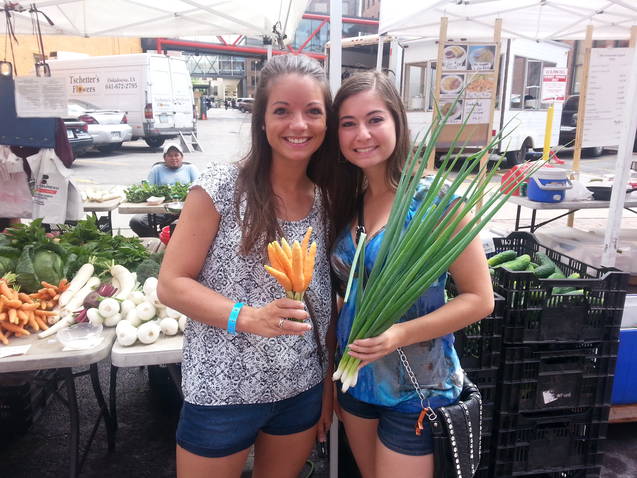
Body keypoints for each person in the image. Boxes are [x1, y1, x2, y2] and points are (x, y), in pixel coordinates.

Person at [157, 54, 337, 478]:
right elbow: (171, 282)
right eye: (282, 111)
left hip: (300, 388)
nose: (299, 124)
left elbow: (327, 300)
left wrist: (327, 382)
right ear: (261, 120)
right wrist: (248, 317)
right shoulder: (219, 186)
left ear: (327, 122)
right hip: (222, 391)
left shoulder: (327, 201)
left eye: (313, 111)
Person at [329, 71, 494, 478]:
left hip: (417, 389)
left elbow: (479, 299)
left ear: (397, 124)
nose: (361, 134)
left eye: (374, 119)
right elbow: (349, 289)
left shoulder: (437, 204)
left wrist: (399, 334)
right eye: (348, 124)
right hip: (356, 382)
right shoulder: (348, 201)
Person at [129, 142, 199, 237]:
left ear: (182, 157)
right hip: (160, 211)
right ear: (164, 158)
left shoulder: (190, 169)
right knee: (136, 222)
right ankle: (157, 239)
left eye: (176, 155)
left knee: (177, 226)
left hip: (184, 211)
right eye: (170, 155)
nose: (173, 158)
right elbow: (147, 190)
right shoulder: (157, 169)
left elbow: (199, 190)